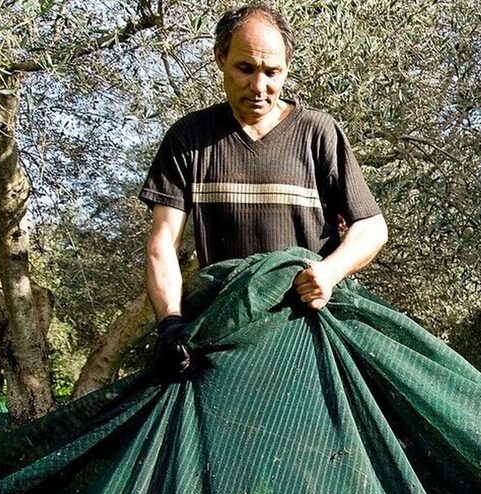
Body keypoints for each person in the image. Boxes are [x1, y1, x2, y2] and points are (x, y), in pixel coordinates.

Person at [140, 3, 388, 377]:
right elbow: (162, 243)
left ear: (287, 67)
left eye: (273, 72)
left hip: (308, 336)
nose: (259, 87)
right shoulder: (189, 138)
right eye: (245, 69)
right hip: (226, 338)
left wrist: (330, 272)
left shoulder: (318, 133)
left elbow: (372, 227)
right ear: (220, 58)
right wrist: (171, 323)